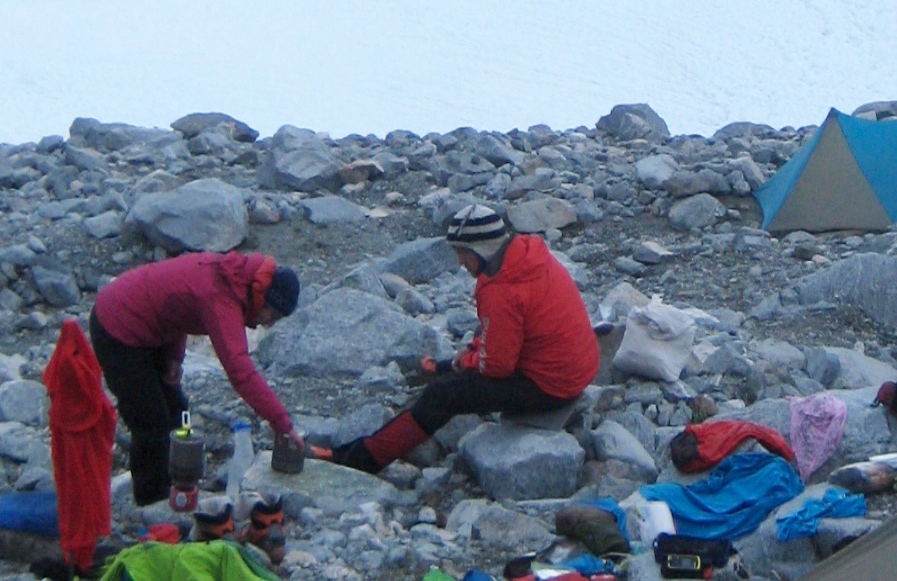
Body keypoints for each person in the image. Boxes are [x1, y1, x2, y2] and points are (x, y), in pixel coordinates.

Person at [337, 206, 598, 472]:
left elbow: (497, 367)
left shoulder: (502, 289)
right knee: (479, 335)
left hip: (553, 387)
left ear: (483, 249)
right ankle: (444, 366)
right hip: (576, 368)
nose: (460, 261)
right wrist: (473, 353)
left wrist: (470, 360)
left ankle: (361, 459)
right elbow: (506, 329)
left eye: (463, 252)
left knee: (445, 394)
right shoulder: (525, 257)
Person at [89, 252, 302, 505]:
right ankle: (152, 503)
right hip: (117, 328)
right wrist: (282, 423)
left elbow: (177, 306)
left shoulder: (232, 278)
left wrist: (174, 357)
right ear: (265, 300)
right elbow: (241, 372)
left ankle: (179, 478)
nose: (268, 324)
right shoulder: (221, 297)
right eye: (272, 317)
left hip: (149, 327)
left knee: (178, 412)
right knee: (151, 422)